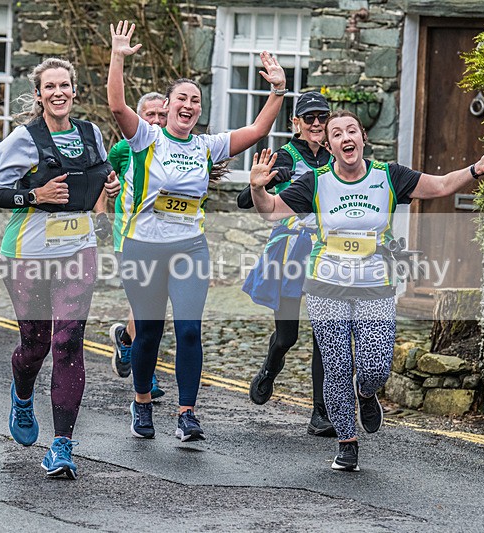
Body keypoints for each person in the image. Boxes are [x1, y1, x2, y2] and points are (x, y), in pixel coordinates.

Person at [249, 109, 484, 471]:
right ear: (329, 145)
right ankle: (347, 442)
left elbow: (439, 186)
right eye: (337, 134)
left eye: (352, 131)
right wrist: (257, 187)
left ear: (362, 138)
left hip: (375, 285)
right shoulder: (314, 182)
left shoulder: (388, 176)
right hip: (325, 285)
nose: (346, 137)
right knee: (335, 366)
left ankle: (366, 393)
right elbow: (270, 211)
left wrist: (476, 169)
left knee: (375, 368)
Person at [108, 20, 288, 441]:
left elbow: (259, 130)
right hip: (143, 248)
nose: (188, 105)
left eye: (195, 101)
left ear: (198, 111)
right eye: (181, 99)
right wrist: (118, 55)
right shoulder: (146, 138)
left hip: (189, 247)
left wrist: (278, 89)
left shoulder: (208, 146)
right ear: (168, 106)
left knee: (189, 328)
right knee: (149, 329)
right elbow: (117, 106)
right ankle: (142, 404)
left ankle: (187, 413)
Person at [0, 57, 114, 479]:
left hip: (78, 249)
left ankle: (61, 447)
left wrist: (108, 186)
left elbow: (100, 173)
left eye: (65, 86)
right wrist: (35, 194)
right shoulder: (23, 139)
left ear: (74, 91)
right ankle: (22, 394)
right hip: (28, 253)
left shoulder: (91, 133)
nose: (58, 93)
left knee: (68, 342)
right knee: (36, 345)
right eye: (49, 87)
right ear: (39, 94)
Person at [236, 91, 335, 437]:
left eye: (322, 116)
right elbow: (245, 201)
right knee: (289, 335)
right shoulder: (286, 156)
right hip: (291, 251)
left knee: (326, 335)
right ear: (296, 123)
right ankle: (270, 366)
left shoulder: (337, 156)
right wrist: (263, 181)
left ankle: (321, 413)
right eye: (309, 118)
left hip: (327, 253)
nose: (317, 124)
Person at [108, 91, 168, 399]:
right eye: (150, 115)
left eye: (162, 115)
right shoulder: (123, 148)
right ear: (139, 116)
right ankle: (148, 376)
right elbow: (102, 178)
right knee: (147, 305)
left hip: (165, 239)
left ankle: (127, 342)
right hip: (128, 236)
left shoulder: (175, 148)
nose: (156, 120)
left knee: (148, 306)